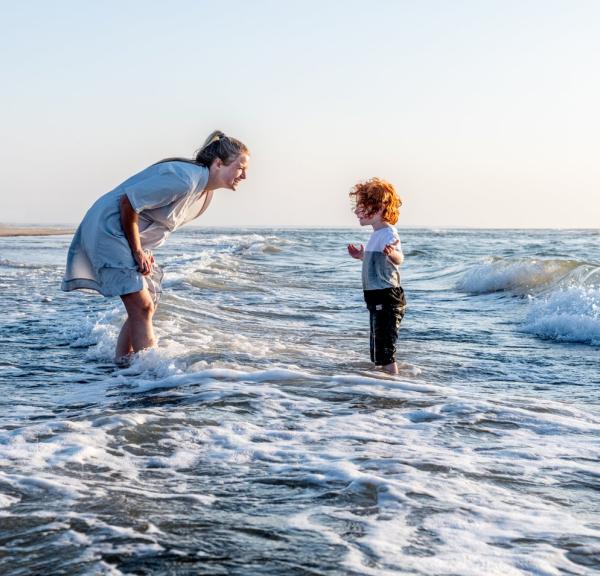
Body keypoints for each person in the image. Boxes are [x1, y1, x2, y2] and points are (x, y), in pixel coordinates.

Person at [62, 130, 249, 362]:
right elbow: (128, 203)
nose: (245, 175)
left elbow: (152, 217)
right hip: (108, 228)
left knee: (148, 304)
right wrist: (136, 250)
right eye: (241, 168)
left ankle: (124, 365)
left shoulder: (204, 194)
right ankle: (146, 375)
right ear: (219, 163)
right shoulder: (185, 179)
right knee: (141, 306)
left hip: (127, 233)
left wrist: (144, 249)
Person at [347, 178, 406, 374]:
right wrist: (361, 256)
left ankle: (394, 385)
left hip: (388, 297)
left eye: (362, 206)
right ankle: (378, 385)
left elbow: (399, 259)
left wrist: (392, 253)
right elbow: (375, 260)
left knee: (386, 349)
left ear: (380, 208)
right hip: (376, 297)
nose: (356, 211)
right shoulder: (375, 235)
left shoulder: (389, 233)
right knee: (377, 347)